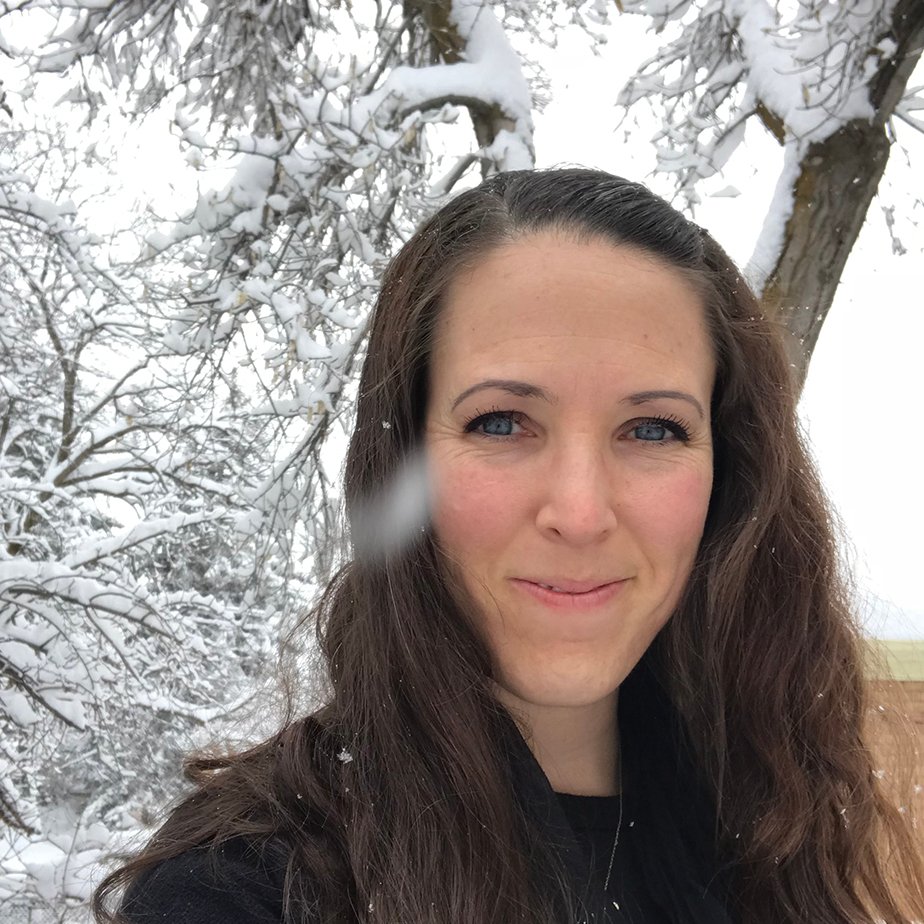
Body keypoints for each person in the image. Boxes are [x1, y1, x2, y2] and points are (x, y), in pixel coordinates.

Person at [93, 168, 924, 924]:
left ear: (729, 475)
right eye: (501, 422)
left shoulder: (776, 824)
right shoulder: (250, 890)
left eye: (651, 428)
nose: (580, 510)